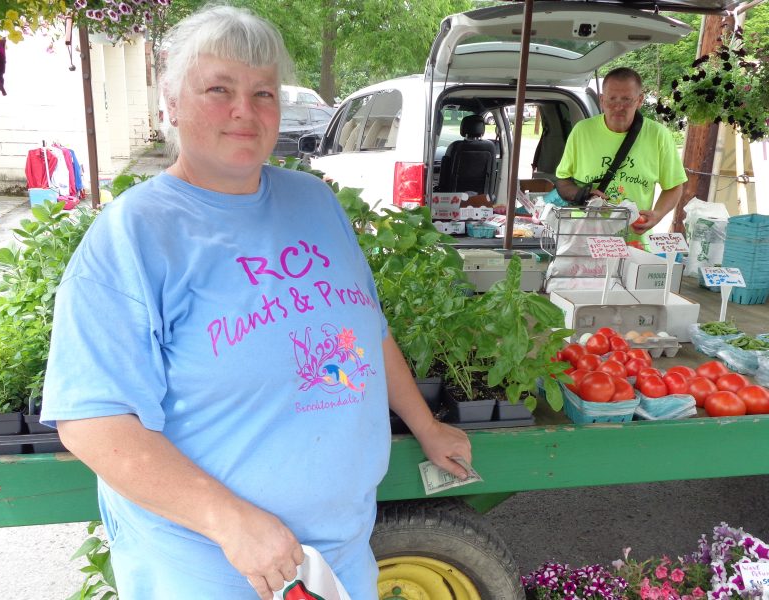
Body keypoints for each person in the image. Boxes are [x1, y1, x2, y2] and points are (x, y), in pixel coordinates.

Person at [40, 5, 471, 600]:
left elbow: (366, 330)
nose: (245, 110)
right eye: (219, 89)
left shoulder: (315, 203)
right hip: (212, 565)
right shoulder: (135, 235)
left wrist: (426, 425)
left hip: (339, 553)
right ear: (171, 102)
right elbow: (92, 421)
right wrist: (229, 520)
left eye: (263, 93)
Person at [554, 67, 688, 244]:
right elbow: (562, 181)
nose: (618, 107)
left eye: (627, 100)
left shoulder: (658, 135)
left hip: (633, 241)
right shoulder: (582, 131)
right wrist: (583, 194)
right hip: (584, 239)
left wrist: (657, 215)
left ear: (639, 100)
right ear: (602, 100)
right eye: (611, 99)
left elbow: (674, 186)